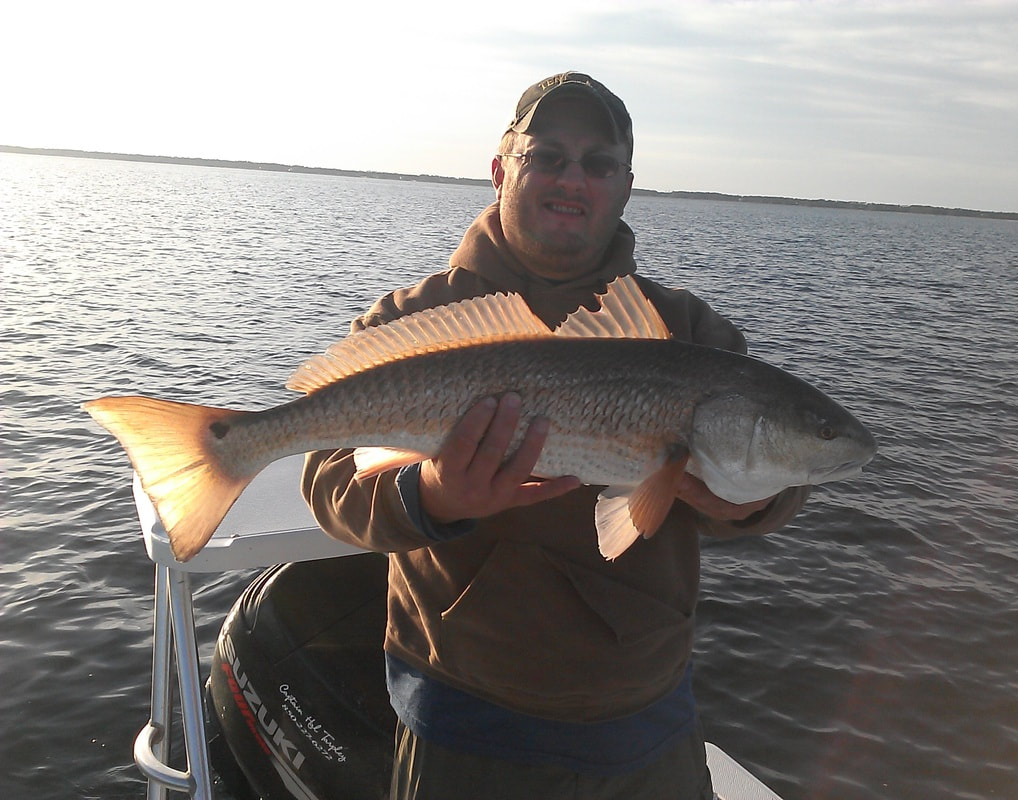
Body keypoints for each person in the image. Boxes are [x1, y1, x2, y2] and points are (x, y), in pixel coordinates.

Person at [302, 71, 810, 800]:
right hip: (462, 722)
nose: (574, 179)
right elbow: (329, 485)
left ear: (625, 187)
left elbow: (784, 460)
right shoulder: (414, 322)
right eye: (548, 157)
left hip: (647, 722)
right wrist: (434, 495)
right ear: (501, 168)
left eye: (599, 164)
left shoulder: (688, 333)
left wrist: (753, 504)